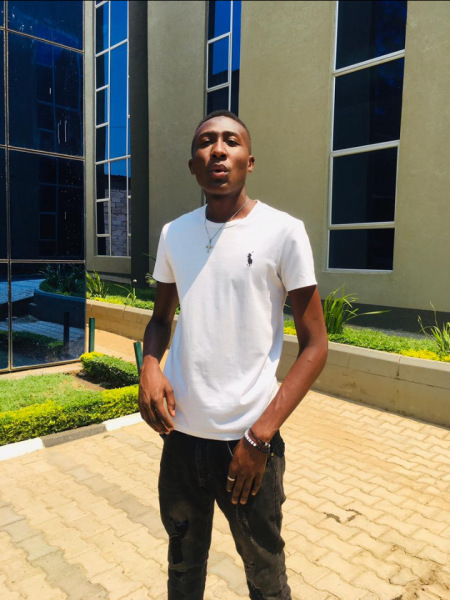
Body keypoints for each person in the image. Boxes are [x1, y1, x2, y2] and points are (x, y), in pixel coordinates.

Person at [138, 110, 328, 600]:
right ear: (193, 165)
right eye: (206, 142)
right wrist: (150, 366)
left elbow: (316, 345)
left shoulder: (283, 232)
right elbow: (160, 320)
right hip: (181, 439)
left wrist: (260, 437)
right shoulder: (174, 234)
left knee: (266, 579)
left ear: (250, 160)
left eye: (231, 141)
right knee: (182, 572)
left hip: (248, 444)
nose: (218, 150)